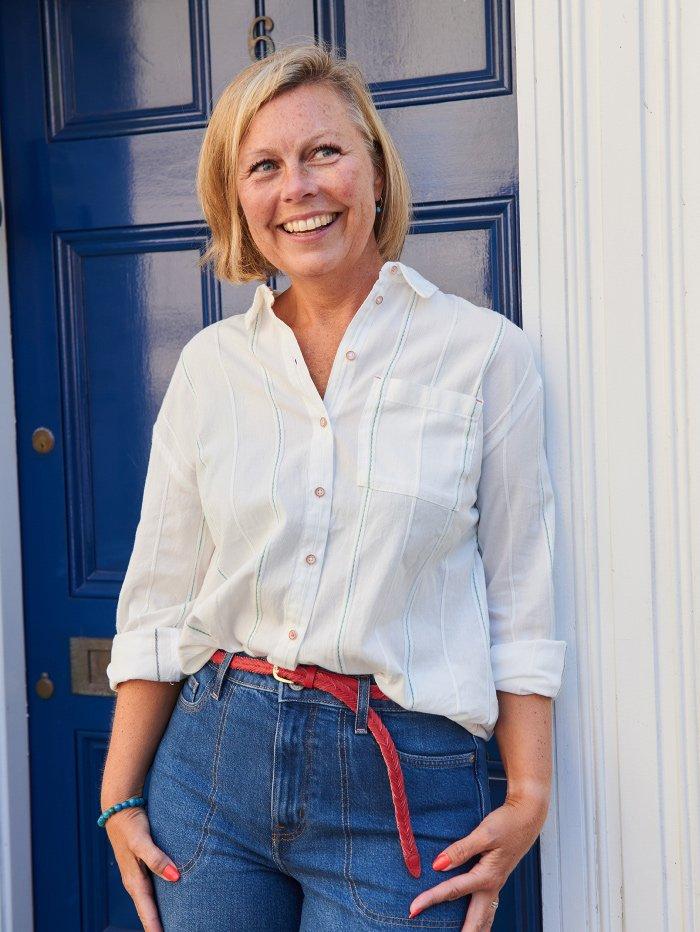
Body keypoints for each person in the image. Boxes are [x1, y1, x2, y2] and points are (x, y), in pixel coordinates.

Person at [101, 41, 567, 932]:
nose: (299, 187)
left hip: (403, 784)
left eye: (325, 153)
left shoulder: (483, 357)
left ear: (376, 173)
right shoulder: (210, 369)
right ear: (239, 200)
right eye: (265, 166)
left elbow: (520, 592)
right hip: (210, 771)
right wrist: (119, 798)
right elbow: (159, 595)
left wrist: (531, 788)